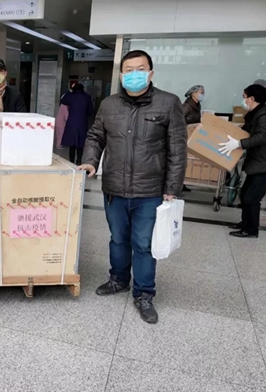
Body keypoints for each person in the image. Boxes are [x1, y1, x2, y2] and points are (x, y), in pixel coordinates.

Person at [78, 50, 187, 324]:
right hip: (114, 188)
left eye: (140, 69)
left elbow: (177, 149)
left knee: (143, 244)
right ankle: (118, 279)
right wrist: (90, 161)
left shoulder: (168, 103)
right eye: (129, 70)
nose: (134, 74)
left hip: (150, 191)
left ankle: (144, 293)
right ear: (121, 74)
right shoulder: (109, 104)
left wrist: (172, 187)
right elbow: (96, 136)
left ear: (150, 73)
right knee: (118, 238)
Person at [220, 84, 266, 238]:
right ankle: (245, 223)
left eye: (244, 97)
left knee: (251, 197)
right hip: (259, 162)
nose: (243, 100)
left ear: (252, 98)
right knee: (245, 194)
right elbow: (248, 129)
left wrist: (239, 144)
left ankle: (251, 230)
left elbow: (262, 136)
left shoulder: (265, 115)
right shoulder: (256, 113)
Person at [61, 83, 94, 165]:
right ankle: (79, 160)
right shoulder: (86, 97)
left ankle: (71, 161)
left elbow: (63, 100)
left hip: (71, 122)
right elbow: (90, 112)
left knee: (72, 144)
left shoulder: (71, 96)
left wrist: (69, 91)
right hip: (82, 122)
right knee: (80, 143)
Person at [181, 84, 205, 192]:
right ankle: (179, 185)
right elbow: (179, 120)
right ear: (193, 94)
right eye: (201, 92)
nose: (202, 94)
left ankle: (183, 183)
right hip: (185, 136)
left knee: (188, 161)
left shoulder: (197, 105)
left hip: (192, 136)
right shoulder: (187, 106)